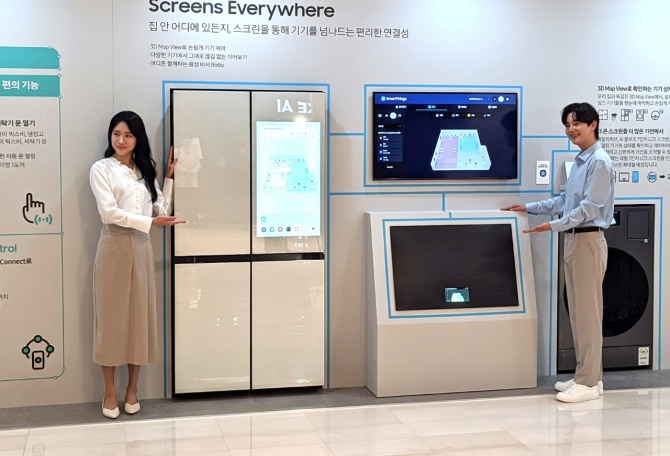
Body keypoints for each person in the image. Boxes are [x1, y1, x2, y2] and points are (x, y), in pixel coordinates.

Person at [502, 102, 614, 403]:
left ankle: (588, 383)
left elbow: (589, 208)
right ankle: (588, 377)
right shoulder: (581, 161)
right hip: (575, 241)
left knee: (588, 316)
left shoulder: (599, 162)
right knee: (578, 313)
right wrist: (530, 208)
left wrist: (552, 226)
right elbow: (565, 200)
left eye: (576, 123)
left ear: (593, 124)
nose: (570, 129)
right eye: (567, 124)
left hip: (588, 241)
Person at [90, 111, 185, 419]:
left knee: (139, 320)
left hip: (142, 247)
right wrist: (151, 222)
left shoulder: (145, 171)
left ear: (137, 139)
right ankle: (110, 392)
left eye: (128, 135)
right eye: (116, 133)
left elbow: (161, 209)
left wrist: (168, 177)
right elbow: (109, 213)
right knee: (110, 321)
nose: (121, 140)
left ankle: (132, 391)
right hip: (114, 246)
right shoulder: (101, 169)